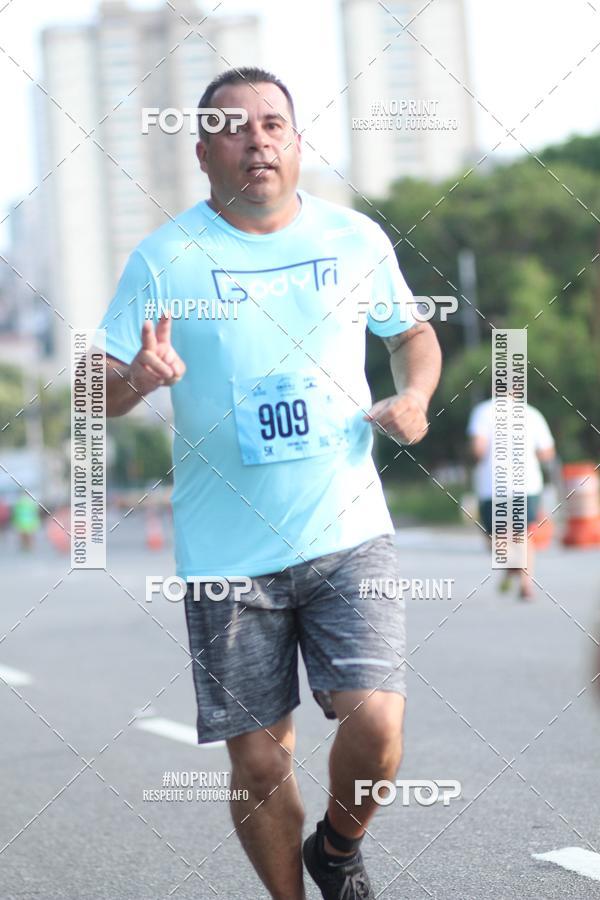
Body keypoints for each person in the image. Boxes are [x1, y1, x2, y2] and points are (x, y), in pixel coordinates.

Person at [100, 67, 441, 900]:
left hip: (347, 527)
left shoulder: (355, 239)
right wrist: (139, 376)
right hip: (227, 554)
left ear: (295, 141)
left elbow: (414, 334)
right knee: (259, 760)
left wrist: (417, 396)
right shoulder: (164, 257)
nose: (258, 138)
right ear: (203, 150)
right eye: (235, 126)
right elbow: (90, 393)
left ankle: (338, 846)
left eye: (275, 124)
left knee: (378, 726)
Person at [467, 394, 556, 599]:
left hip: (492, 485)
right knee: (522, 533)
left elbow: (478, 449)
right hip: (526, 484)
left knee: (496, 536)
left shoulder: (482, 411)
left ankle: (513, 567)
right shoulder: (532, 413)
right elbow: (547, 453)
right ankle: (525, 581)